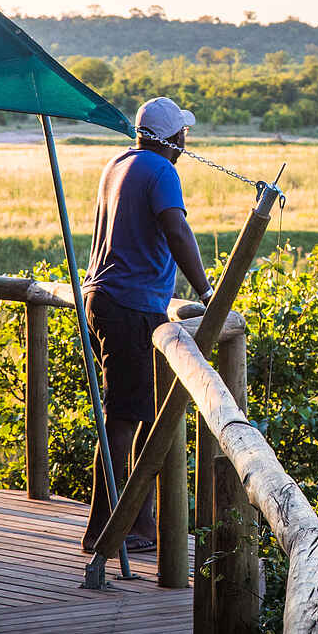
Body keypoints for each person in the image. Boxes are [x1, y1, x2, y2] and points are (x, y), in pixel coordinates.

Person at [80, 96, 213, 554]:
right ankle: (109, 530)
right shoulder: (162, 171)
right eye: (182, 136)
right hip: (133, 306)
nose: (184, 144)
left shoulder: (118, 163)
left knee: (135, 415)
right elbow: (176, 230)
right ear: (173, 139)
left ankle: (136, 523)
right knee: (125, 419)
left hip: (103, 299)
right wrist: (206, 289)